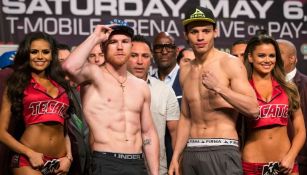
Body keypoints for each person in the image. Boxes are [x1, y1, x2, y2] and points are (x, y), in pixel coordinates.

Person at [168, 6, 259, 175]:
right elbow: (186, 117)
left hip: (222, 148)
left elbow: (253, 109)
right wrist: (176, 156)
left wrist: (220, 88)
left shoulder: (229, 63)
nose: (200, 37)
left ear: (215, 32)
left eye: (206, 31)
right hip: (192, 151)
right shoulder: (185, 70)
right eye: (194, 31)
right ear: (186, 35)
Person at [61, 20, 159, 175]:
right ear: (103, 46)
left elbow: (148, 133)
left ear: (131, 46)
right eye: (113, 42)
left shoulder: (141, 86)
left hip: (137, 164)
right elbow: (68, 67)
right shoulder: (93, 75)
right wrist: (95, 36)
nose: (120, 47)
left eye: (125, 42)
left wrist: (155, 173)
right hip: (105, 162)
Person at [0, 32, 73, 175]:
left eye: (45, 52)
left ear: (52, 55)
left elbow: (64, 129)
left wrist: (68, 157)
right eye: (34, 52)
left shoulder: (61, 85)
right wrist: (30, 153)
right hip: (28, 160)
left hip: (58, 162)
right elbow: (1, 132)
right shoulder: (17, 83)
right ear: (26, 54)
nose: (40, 56)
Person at [242, 34, 306, 175]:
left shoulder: (288, 88)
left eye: (272, 56)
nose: (267, 60)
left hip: (286, 164)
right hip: (252, 165)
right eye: (261, 55)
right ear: (251, 57)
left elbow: (300, 129)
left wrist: (291, 156)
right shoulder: (242, 88)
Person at [127, 35, 180, 175]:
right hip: (121, 167)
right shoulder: (113, 88)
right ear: (125, 57)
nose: (139, 61)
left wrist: (177, 163)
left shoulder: (165, 90)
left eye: (144, 56)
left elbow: (175, 134)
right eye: (134, 55)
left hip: (157, 169)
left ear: (150, 59)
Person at [277, 39, 307, 175]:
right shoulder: (261, 85)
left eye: (278, 53)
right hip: (269, 160)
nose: (273, 57)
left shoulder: (305, 85)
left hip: (302, 161)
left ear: (292, 58)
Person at [152, 32, 182, 167]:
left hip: (182, 153)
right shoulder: (147, 82)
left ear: (176, 51)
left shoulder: (187, 78)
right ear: (153, 53)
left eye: (168, 47)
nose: (164, 51)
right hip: (155, 155)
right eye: (159, 47)